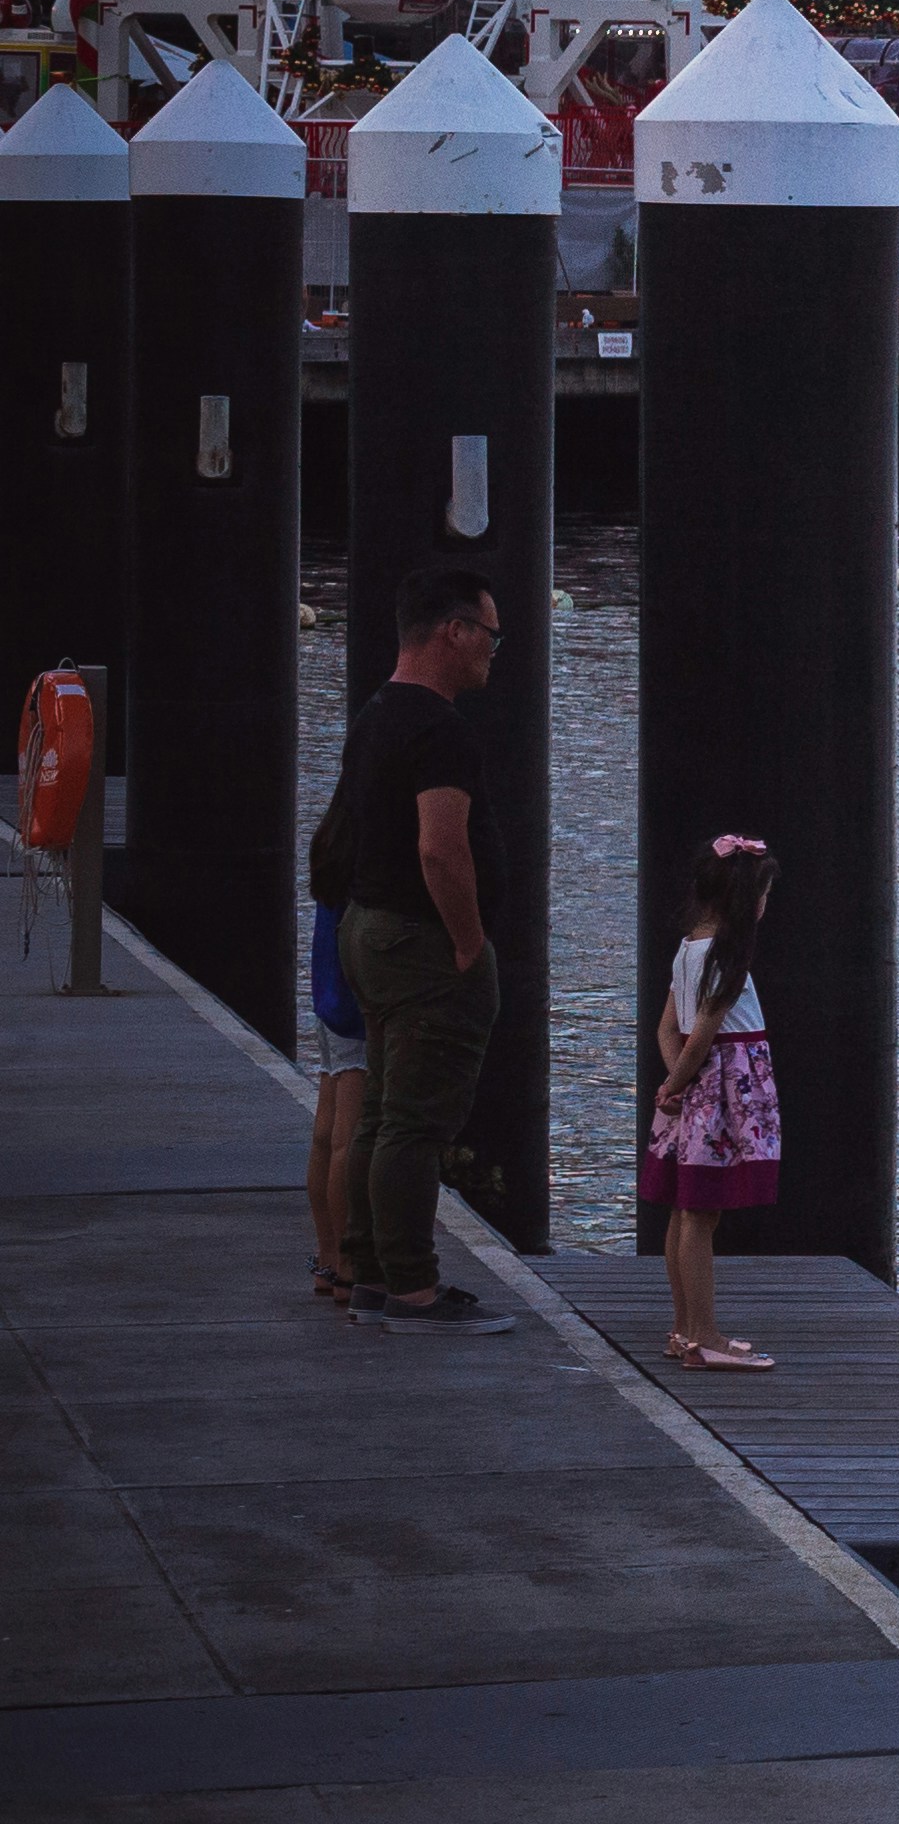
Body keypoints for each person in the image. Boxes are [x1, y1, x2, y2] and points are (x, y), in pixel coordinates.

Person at [327, 564, 512, 1326]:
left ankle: (370, 1269)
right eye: (491, 635)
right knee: (416, 1123)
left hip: (368, 931)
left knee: (379, 1114)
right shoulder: (440, 728)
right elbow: (441, 848)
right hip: (422, 943)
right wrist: (469, 944)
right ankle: (413, 1284)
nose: (495, 651)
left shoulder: (375, 714)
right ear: (454, 631)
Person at [643, 832, 782, 1373]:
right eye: (763, 895)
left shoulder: (687, 949)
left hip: (693, 1087)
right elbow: (703, 1034)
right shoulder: (728, 954)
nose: (766, 906)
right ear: (745, 901)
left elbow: (667, 1026)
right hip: (723, 1091)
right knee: (702, 1212)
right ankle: (704, 1335)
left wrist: (673, 1080)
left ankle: (684, 1330)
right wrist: (679, 1081)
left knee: (687, 1209)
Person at [297, 890, 370, 1303]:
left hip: (329, 989)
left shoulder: (331, 839)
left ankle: (328, 1256)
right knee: (349, 1135)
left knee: (327, 1131)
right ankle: (347, 1263)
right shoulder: (367, 838)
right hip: (354, 994)